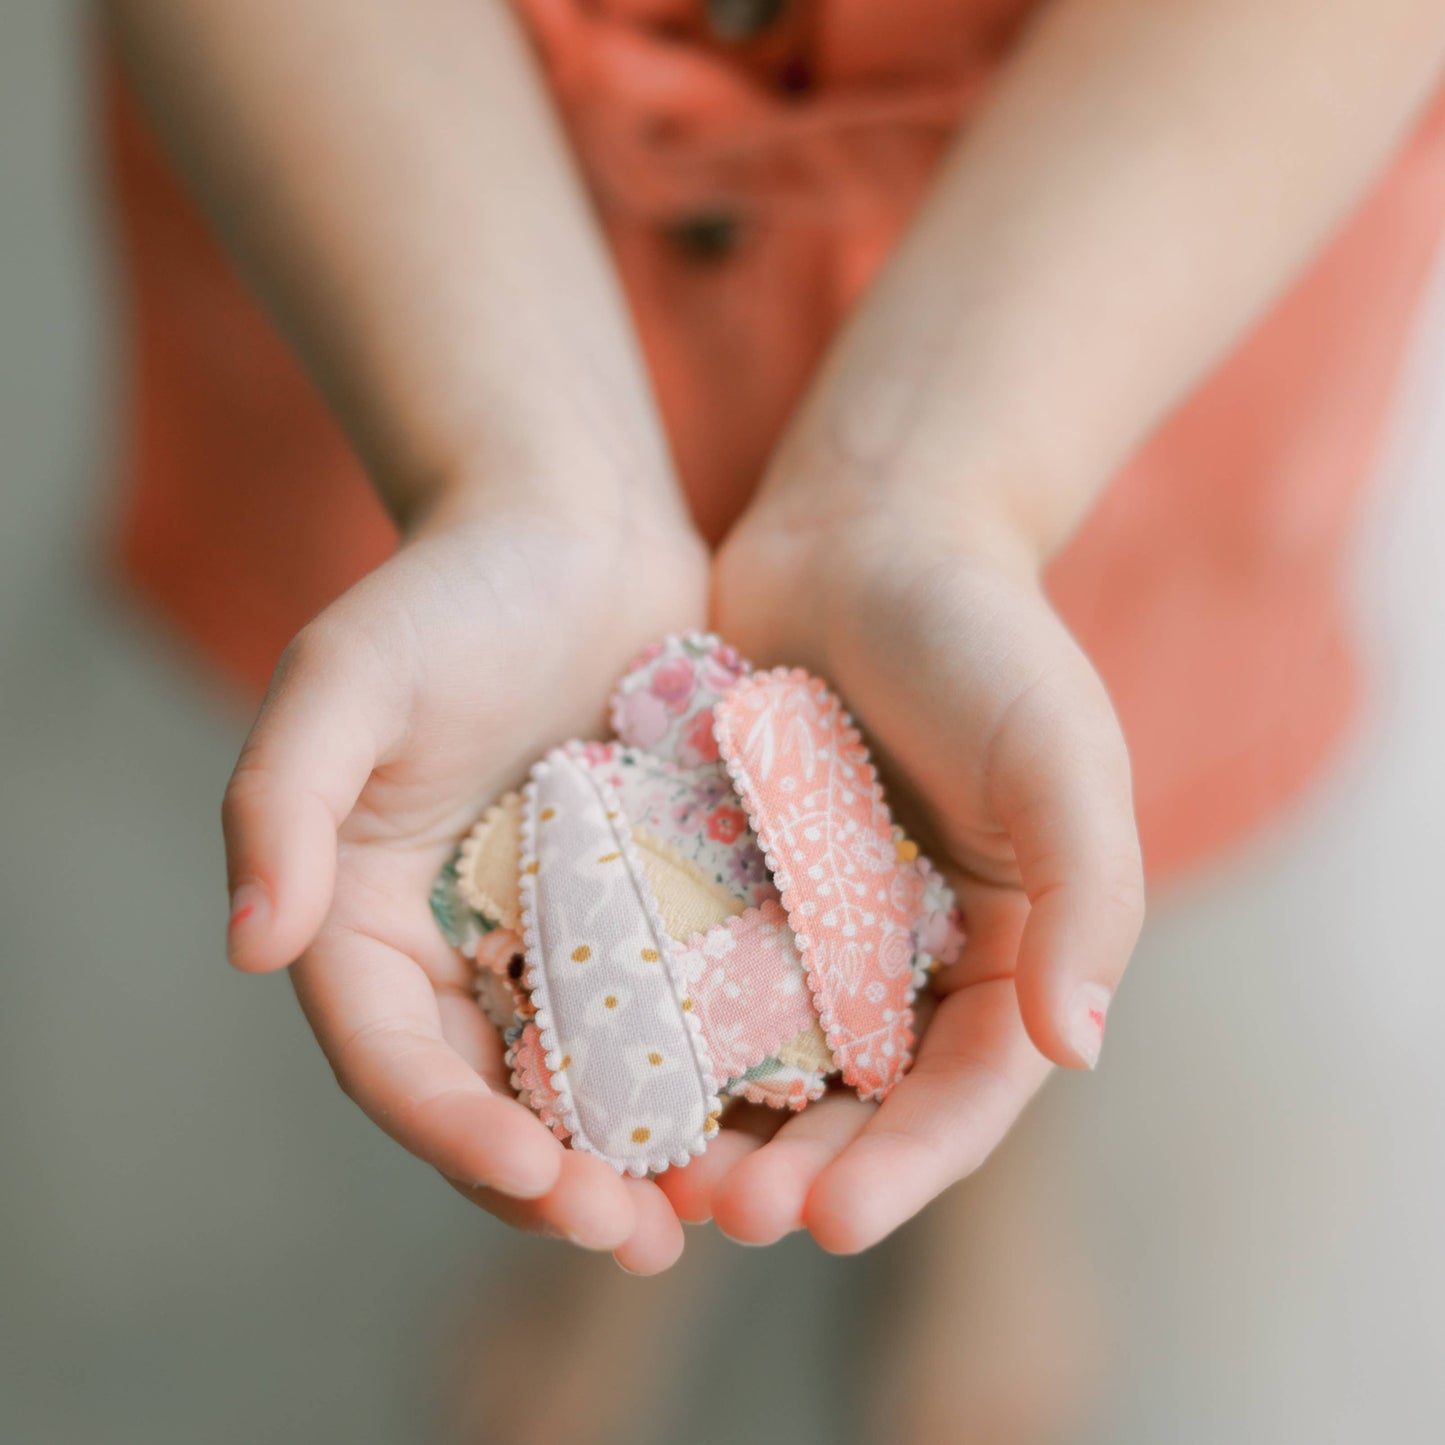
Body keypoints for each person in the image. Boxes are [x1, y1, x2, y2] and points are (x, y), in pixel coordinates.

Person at [100, 0, 1445, 1417]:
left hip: (1116, 248)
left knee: (1036, 826)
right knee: (983, 831)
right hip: (440, 231)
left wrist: (935, 493)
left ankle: (991, 1153)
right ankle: (631, 1212)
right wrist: (511, 466)